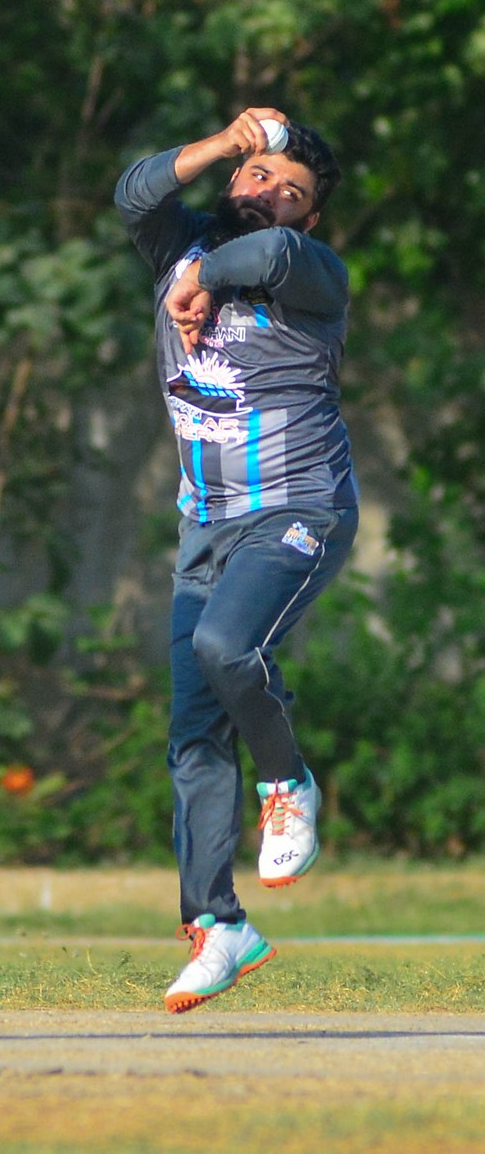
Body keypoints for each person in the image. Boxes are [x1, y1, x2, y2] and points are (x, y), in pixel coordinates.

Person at [114, 107, 358, 1014]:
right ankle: (218, 924)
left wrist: (202, 280)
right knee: (191, 735)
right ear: (233, 179)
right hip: (205, 527)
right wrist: (224, 141)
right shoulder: (179, 243)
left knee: (227, 646)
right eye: (258, 176)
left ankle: (288, 782)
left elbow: (272, 257)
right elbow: (134, 194)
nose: (269, 195)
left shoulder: (313, 272)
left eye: (291, 192)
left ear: (311, 217)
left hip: (299, 509)